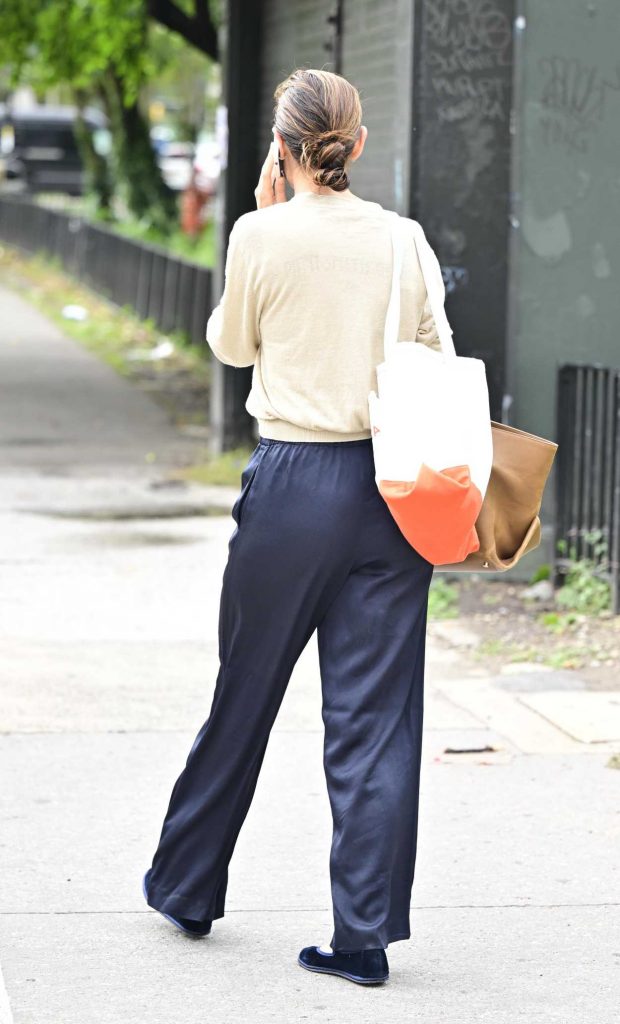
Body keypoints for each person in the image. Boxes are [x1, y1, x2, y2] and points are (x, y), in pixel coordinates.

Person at [143, 66, 443, 988]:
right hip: (393, 490)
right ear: (355, 144)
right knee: (375, 720)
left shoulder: (259, 233)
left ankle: (189, 889)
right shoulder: (403, 241)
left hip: (294, 481)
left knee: (246, 694)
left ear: (284, 146)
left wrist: (264, 219)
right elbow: (436, 353)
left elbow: (231, 346)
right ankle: (363, 941)